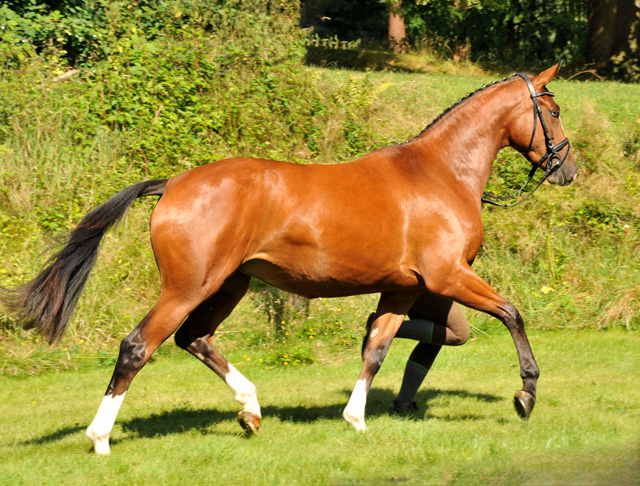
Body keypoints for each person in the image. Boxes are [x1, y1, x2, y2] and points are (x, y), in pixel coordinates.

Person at [362, 292, 469, 414]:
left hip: (419, 280)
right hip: (423, 279)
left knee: (434, 337)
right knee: (459, 333)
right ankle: (380, 328)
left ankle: (402, 404)